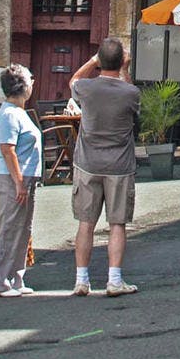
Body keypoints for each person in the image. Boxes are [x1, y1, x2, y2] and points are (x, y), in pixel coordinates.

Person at [69, 38, 141, 298]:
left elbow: (73, 80)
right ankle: (114, 279)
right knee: (117, 224)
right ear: (121, 61)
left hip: (88, 163)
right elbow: (133, 100)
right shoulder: (130, 92)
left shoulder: (86, 88)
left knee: (86, 223)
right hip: (119, 165)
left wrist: (92, 61)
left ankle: (81, 280)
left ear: (100, 61)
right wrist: (126, 70)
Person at [0, 65, 43, 297]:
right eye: (30, 80)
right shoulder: (9, 114)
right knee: (7, 229)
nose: (33, 83)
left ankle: (16, 278)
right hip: (9, 178)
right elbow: (7, 150)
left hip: (22, 178)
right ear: (23, 86)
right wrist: (19, 182)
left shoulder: (18, 112)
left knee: (21, 230)